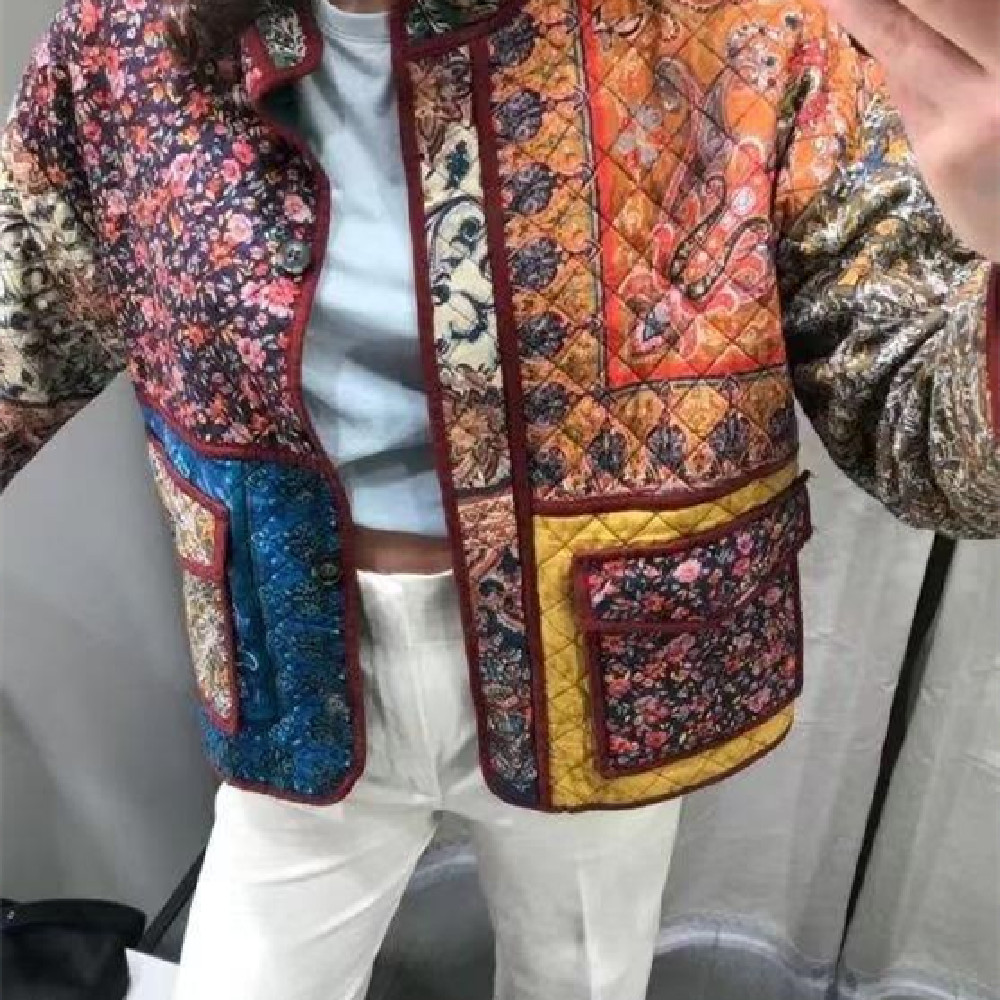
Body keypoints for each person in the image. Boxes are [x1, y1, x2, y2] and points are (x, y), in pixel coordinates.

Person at [1, 0, 997, 996]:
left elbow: (922, 428)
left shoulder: (742, 29)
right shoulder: (128, 44)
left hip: (604, 669)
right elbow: (20, 325)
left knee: (580, 978)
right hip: (300, 665)